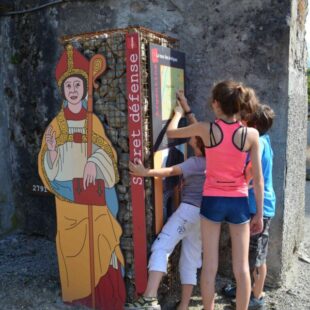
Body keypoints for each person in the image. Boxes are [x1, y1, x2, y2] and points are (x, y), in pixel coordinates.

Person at [38, 44, 125, 309]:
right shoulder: (56, 124)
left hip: (94, 195)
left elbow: (108, 154)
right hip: (69, 199)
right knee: (71, 246)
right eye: (68, 87)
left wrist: (94, 163)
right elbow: (46, 166)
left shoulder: (93, 122)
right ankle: (79, 295)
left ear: (84, 88)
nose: (73, 90)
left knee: (102, 240)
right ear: (63, 91)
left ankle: (106, 296)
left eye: (77, 85)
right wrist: (52, 153)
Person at [167, 81, 264, 310]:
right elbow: (258, 180)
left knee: (209, 265)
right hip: (238, 202)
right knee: (241, 268)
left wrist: (179, 112)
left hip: (212, 200)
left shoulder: (204, 129)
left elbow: (172, 133)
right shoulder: (251, 134)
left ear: (216, 104)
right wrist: (258, 213)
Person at [126, 133, 206, 310]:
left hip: (187, 212)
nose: (191, 135)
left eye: (195, 135)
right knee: (190, 259)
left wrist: (145, 172)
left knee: (161, 247)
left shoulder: (195, 162)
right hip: (202, 217)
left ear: (200, 144)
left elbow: (171, 171)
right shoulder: (212, 163)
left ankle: (150, 298)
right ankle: (184, 305)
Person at [223, 104, 276, 309]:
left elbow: (251, 172)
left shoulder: (258, 144)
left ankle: (256, 297)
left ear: (252, 125)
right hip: (258, 205)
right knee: (252, 253)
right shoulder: (265, 140)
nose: (241, 123)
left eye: (244, 120)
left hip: (257, 207)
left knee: (256, 256)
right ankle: (244, 291)